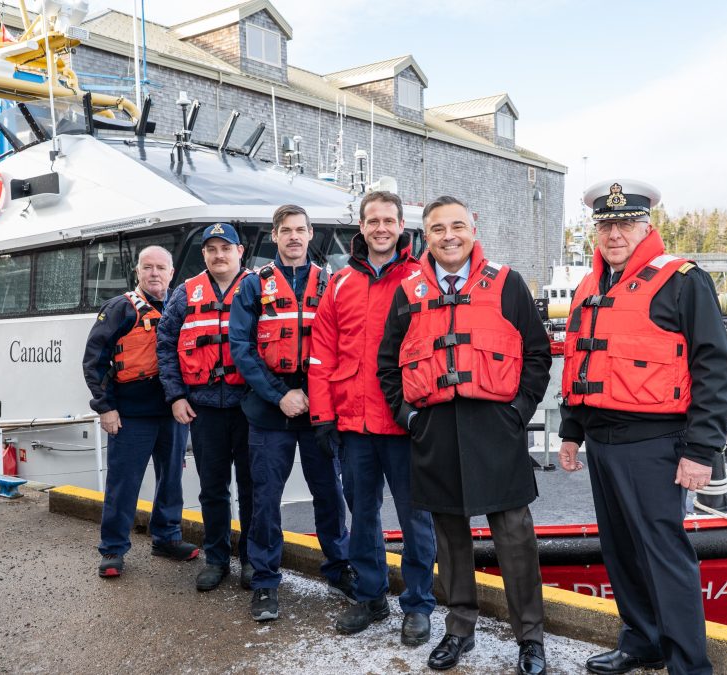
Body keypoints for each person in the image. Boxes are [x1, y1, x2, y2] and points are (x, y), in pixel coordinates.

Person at [557, 180, 727, 675]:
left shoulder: (682, 280)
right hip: (602, 442)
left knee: (664, 555)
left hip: (656, 443)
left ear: (646, 226)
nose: (614, 233)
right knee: (620, 550)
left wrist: (701, 451)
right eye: (606, 224)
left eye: (625, 224)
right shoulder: (590, 286)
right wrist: (571, 431)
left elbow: (714, 369)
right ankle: (642, 641)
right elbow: (580, 363)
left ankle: (688, 664)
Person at [378, 196, 551, 675]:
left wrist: (518, 412)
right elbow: (388, 364)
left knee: (515, 537)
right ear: (425, 236)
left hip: (496, 428)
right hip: (435, 429)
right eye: (437, 228)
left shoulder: (507, 283)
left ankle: (530, 638)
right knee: (449, 538)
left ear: (473, 229)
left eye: (457, 225)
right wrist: (409, 418)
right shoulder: (409, 290)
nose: (448, 235)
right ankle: (459, 630)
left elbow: (537, 354)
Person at [308, 191, 437, 644]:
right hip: (354, 425)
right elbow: (321, 355)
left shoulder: (421, 278)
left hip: (405, 423)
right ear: (360, 227)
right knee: (362, 516)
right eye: (372, 220)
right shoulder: (340, 283)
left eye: (389, 220)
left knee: (416, 518)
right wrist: (323, 415)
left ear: (402, 226)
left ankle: (419, 604)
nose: (381, 228)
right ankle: (370, 594)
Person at [228, 204, 354, 622]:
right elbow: (242, 349)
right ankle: (265, 582)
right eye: (287, 231)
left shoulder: (331, 284)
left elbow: (342, 346)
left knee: (329, 495)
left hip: (319, 408)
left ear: (310, 234)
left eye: (301, 230)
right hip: (270, 410)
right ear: (275, 236)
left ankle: (339, 567)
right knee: (265, 499)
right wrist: (280, 394)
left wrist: (319, 398)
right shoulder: (253, 286)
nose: (295, 237)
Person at [82, 245, 199, 578]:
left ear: (172, 273)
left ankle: (167, 537)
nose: (154, 273)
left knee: (172, 479)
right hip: (131, 415)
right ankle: (113, 549)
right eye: (148, 267)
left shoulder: (182, 308)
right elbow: (94, 362)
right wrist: (105, 407)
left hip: (172, 411)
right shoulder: (120, 309)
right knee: (123, 483)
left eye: (161, 267)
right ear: (137, 271)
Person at [157, 224, 255, 592]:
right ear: (204, 255)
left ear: (240, 251)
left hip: (249, 406)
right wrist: (176, 396)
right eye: (211, 249)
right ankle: (216, 559)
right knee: (213, 489)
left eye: (225, 248)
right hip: (203, 408)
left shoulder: (257, 288)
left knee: (251, 488)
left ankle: (251, 560)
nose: (219, 255)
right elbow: (165, 344)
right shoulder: (185, 294)